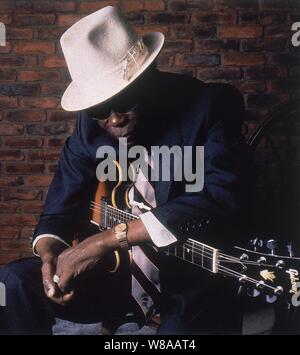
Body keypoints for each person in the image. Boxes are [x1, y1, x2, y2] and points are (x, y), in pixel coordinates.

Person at [0, 6, 253, 335]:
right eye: (101, 109)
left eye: (126, 100)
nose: (114, 119)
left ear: (150, 75)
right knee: (15, 281)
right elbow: (58, 211)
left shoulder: (210, 106)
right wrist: (51, 257)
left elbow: (221, 199)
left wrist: (102, 242)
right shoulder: (91, 127)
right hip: (115, 277)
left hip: (188, 275)